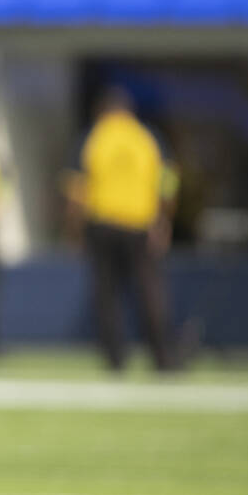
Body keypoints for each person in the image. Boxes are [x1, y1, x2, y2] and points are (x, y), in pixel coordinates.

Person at [67, 88, 178, 372]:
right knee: (150, 292)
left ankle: (115, 360)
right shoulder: (147, 138)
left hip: (102, 224)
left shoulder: (94, 137)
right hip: (139, 223)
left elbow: (77, 191)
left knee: (107, 295)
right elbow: (167, 184)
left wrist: (75, 231)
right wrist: (163, 221)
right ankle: (162, 357)